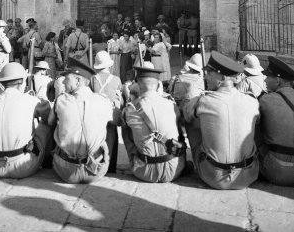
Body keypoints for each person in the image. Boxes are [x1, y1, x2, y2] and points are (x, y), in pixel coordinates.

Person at [183, 51, 259, 190]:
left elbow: (187, 116)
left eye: (210, 73)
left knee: (192, 124)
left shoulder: (204, 101)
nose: (205, 76)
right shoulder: (252, 101)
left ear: (223, 77)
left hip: (213, 175)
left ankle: (198, 163)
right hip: (248, 175)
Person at [49, 58, 112, 183]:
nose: (63, 83)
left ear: (78, 81)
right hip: (96, 171)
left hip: (66, 171)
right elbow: (116, 121)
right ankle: (110, 165)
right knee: (109, 126)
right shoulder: (104, 100)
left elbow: (50, 122)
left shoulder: (61, 100)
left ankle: (47, 163)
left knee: (49, 125)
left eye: (66, 79)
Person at [0, 62, 51, 179]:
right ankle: (47, 161)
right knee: (45, 125)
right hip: (23, 166)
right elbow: (47, 116)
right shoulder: (31, 100)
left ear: (2, 83)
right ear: (22, 82)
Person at [122, 65, 185, 183]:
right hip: (173, 170)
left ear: (138, 84)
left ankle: (134, 159)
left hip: (144, 171)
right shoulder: (172, 105)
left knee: (125, 128)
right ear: (158, 84)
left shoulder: (130, 109)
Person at [256, 55, 294, 186]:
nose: (265, 80)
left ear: (278, 80)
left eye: (267, 76)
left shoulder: (266, 99)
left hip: (278, 171)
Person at [91, 51, 122, 173]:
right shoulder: (116, 79)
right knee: (111, 137)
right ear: (109, 65)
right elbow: (119, 98)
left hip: (97, 114)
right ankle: (110, 166)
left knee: (97, 140)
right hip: (110, 114)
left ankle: (97, 164)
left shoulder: (93, 79)